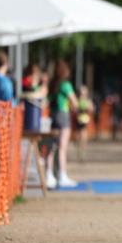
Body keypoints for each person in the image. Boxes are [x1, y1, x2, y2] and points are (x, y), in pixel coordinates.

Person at [47, 60, 79, 189]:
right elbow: (74, 102)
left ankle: (49, 174)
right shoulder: (66, 85)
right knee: (62, 147)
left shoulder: (52, 84)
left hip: (53, 115)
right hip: (63, 115)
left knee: (52, 146)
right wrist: (73, 107)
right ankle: (62, 175)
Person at [21, 63, 47, 132]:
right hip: (28, 110)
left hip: (37, 110)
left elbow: (43, 95)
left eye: (35, 72)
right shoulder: (25, 81)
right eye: (32, 72)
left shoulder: (40, 83)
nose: (33, 74)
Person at [75, 85, 94, 162]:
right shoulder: (77, 100)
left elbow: (92, 109)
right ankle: (79, 153)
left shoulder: (88, 101)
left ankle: (83, 154)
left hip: (85, 121)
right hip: (78, 120)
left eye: (84, 93)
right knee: (78, 137)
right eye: (81, 93)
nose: (83, 94)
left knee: (83, 137)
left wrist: (87, 108)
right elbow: (74, 109)